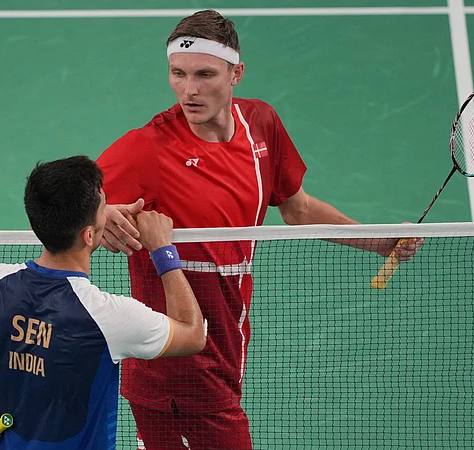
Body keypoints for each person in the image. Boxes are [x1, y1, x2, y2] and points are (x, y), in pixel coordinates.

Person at [96, 10, 424, 450]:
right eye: (178, 74)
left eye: (205, 74)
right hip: (177, 366)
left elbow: (298, 208)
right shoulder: (150, 148)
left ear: (237, 74)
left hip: (226, 341)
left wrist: (377, 240)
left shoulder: (261, 126)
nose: (189, 90)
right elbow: (65, 211)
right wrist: (101, 218)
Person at [0, 156, 206, 450]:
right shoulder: (109, 317)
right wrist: (162, 250)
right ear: (87, 234)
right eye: (104, 206)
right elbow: (193, 335)